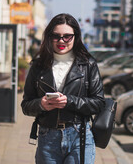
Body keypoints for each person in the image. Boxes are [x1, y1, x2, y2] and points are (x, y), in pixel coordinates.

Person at [21, 13, 105, 164]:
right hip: (48, 137)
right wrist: (41, 104)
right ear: (49, 37)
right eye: (56, 36)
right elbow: (26, 105)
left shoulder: (88, 64)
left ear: (76, 36)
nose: (61, 41)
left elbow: (99, 103)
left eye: (67, 36)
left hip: (80, 136)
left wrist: (69, 101)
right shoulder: (38, 65)